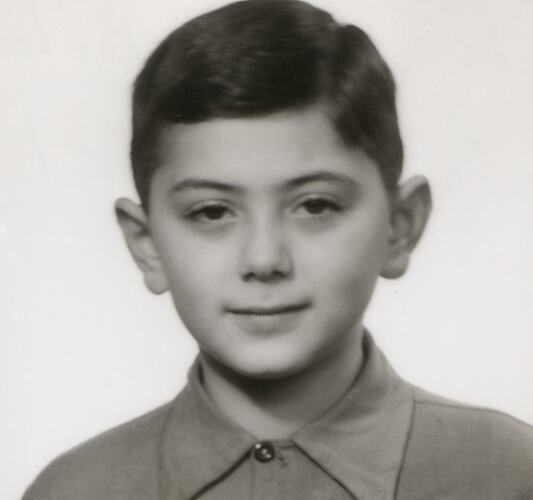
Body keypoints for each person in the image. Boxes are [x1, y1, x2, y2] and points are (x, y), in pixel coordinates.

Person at [22, 0, 533, 498]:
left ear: (400, 226)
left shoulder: (509, 473)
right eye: (212, 212)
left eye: (314, 206)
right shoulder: (75, 490)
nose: (264, 260)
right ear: (147, 244)